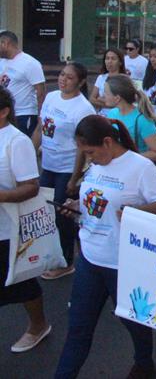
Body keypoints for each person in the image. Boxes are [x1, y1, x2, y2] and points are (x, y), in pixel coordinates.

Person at [54, 115, 156, 379]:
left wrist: (137, 211)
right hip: (90, 259)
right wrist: (76, 208)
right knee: (78, 329)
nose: (89, 158)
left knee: (133, 322)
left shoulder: (140, 167)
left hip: (124, 263)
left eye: (91, 152)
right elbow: (95, 204)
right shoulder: (94, 166)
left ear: (107, 142)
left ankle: (144, 363)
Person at [33, 63, 95, 280]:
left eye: (69, 77)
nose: (63, 79)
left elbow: (82, 147)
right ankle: (54, 253)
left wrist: (74, 177)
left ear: (80, 82)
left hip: (66, 168)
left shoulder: (83, 108)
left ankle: (68, 261)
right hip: (48, 165)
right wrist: (30, 153)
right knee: (46, 211)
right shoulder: (51, 97)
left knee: (63, 214)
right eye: (61, 75)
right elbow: (41, 127)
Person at [0, 87, 51, 353]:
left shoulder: (16, 142)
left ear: (4, 111)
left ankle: (38, 325)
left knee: (19, 283)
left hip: (7, 230)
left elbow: (31, 186)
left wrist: (2, 196)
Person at [104, 75, 156, 188]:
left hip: (138, 175)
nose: (102, 96)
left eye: (106, 93)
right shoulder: (112, 114)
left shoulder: (142, 120)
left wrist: (129, 158)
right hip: (121, 172)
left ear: (117, 98)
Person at [0, 31, 45, 136]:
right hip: (6, 113)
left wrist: (40, 115)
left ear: (5, 43)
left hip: (24, 114)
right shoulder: (2, 61)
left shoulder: (30, 63)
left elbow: (41, 92)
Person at [90, 48, 126, 115]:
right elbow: (92, 99)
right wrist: (109, 104)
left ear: (120, 62)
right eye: (107, 58)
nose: (110, 61)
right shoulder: (101, 78)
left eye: (113, 59)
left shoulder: (124, 79)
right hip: (102, 115)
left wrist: (100, 99)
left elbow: (123, 103)